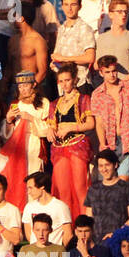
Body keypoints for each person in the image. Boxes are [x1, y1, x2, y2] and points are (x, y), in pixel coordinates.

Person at [50, 66, 95, 220]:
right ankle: (67, 226)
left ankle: (85, 224)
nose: (64, 84)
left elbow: (90, 124)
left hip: (77, 144)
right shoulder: (55, 103)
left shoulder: (83, 99)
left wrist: (71, 127)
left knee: (80, 187)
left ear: (75, 80)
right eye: (61, 81)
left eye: (67, 80)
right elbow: (52, 125)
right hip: (59, 147)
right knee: (63, 190)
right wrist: (50, 130)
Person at [91, 55, 129, 178]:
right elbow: (98, 122)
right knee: (107, 180)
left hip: (127, 140)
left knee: (124, 178)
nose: (112, 75)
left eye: (114, 71)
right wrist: (102, 143)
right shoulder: (97, 94)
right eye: (107, 72)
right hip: (110, 142)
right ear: (101, 73)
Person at [83, 151, 129, 242]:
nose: (104, 169)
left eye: (107, 165)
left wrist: (117, 234)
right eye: (101, 166)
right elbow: (88, 218)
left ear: (115, 165)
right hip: (97, 243)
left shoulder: (127, 187)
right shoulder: (93, 189)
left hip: (120, 241)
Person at [50, 0, 97, 89]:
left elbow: (90, 58)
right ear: (62, 6)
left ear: (80, 6)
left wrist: (65, 59)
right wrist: (55, 63)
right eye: (66, 5)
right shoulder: (61, 29)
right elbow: (57, 56)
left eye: (73, 4)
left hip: (80, 83)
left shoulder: (85, 28)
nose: (69, 8)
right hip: (63, 86)